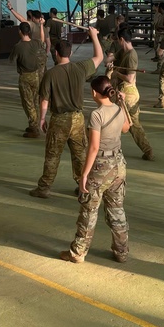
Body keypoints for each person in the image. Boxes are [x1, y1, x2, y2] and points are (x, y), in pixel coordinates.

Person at [60, 76, 131, 264]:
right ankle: (122, 251)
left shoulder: (96, 115)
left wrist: (84, 174)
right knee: (117, 209)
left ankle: (78, 252)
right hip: (119, 164)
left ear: (94, 93)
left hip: (101, 166)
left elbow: (93, 147)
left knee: (89, 210)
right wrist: (122, 104)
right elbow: (126, 128)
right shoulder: (117, 108)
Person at [29, 29, 104, 199]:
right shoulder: (80, 68)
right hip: (77, 118)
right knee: (80, 155)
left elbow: (44, 100)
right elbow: (99, 57)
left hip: (59, 120)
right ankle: (82, 186)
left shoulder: (50, 74)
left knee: (52, 155)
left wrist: (42, 118)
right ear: (70, 53)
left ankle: (44, 187)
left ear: (56, 53)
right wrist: (94, 35)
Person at [111, 28, 153, 160]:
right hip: (128, 92)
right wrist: (110, 62)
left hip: (127, 93)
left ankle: (109, 149)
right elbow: (112, 58)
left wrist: (116, 73)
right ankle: (148, 151)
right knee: (134, 125)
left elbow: (129, 78)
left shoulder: (131, 55)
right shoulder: (123, 52)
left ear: (122, 39)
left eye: (118, 40)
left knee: (114, 122)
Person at [7, 18, 47, 138]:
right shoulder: (35, 43)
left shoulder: (18, 47)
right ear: (29, 31)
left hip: (25, 77)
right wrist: (41, 26)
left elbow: (11, 60)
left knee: (27, 103)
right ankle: (33, 124)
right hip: (36, 75)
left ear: (20, 31)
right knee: (34, 101)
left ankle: (34, 128)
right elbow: (42, 40)